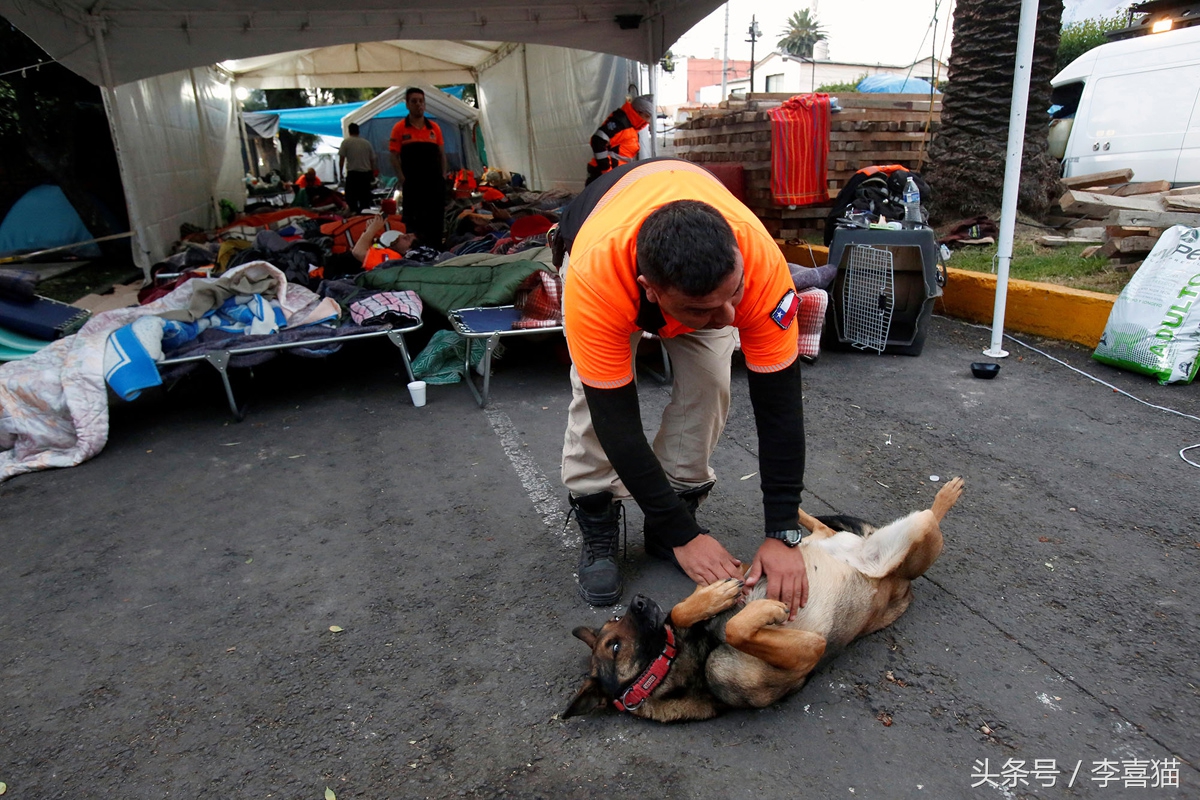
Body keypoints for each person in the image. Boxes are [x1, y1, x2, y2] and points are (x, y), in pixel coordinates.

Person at [557, 157, 809, 618]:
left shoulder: (759, 264)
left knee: (712, 385)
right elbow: (619, 424)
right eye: (702, 310)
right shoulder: (596, 278)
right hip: (599, 233)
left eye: (733, 296)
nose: (729, 318)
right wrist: (686, 538)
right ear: (650, 290)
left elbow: (781, 410)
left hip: (692, 247)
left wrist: (783, 531)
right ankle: (596, 511)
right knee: (593, 409)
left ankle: (674, 504)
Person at [389, 87, 447, 249]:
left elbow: (442, 154)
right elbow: (393, 156)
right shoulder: (399, 128)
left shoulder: (434, 128)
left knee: (435, 220)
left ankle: (436, 251)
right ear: (407, 104)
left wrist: (443, 175)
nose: (418, 105)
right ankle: (416, 252)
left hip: (434, 184)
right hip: (413, 185)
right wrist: (402, 178)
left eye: (421, 101)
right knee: (414, 221)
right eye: (414, 101)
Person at [585, 94, 654, 185]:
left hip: (614, 176)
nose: (648, 121)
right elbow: (597, 141)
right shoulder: (620, 123)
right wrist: (606, 171)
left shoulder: (631, 127)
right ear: (638, 112)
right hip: (604, 177)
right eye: (647, 116)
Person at [338, 122, 379, 214]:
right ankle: (365, 216)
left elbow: (341, 159)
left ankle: (354, 213)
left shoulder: (346, 142)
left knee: (351, 197)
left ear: (349, 131)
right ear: (358, 131)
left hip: (353, 174)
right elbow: (372, 159)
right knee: (365, 198)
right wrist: (372, 173)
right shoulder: (366, 143)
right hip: (365, 174)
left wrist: (340, 173)